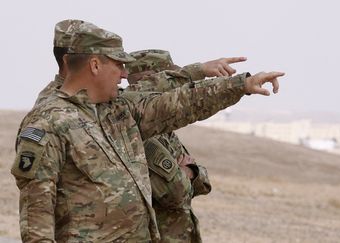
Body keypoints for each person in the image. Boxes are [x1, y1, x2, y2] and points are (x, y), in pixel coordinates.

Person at [11, 20, 284, 242]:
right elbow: (37, 215)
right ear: (95, 65)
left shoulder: (118, 110)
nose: (123, 74)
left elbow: (178, 104)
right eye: (117, 64)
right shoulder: (48, 123)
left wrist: (239, 86)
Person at [126, 50, 218, 243]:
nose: (177, 89)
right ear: (151, 81)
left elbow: (203, 184)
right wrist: (188, 174)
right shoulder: (143, 136)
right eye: (171, 80)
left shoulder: (165, 131)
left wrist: (189, 172)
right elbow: (175, 194)